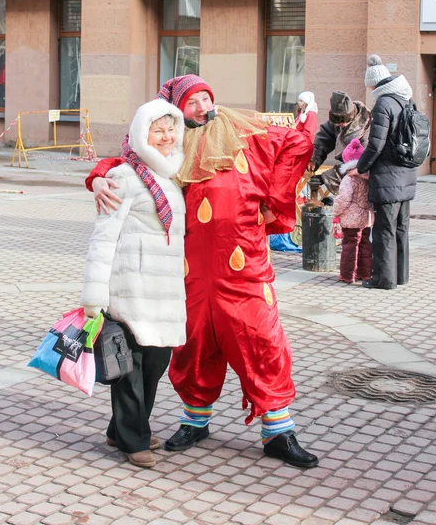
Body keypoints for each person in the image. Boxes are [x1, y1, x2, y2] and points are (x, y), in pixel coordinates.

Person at [86, 74, 319, 469]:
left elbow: (298, 142)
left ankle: (278, 430)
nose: (202, 108)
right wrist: (95, 179)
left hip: (244, 267)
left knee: (261, 340)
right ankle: (195, 421)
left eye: (206, 98)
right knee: (192, 347)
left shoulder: (246, 131)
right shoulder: (172, 145)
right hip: (187, 274)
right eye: (192, 102)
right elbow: (124, 161)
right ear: (178, 109)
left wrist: (273, 199)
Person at [80, 98, 187, 469]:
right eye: (158, 130)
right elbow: (104, 236)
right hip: (130, 286)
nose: (167, 137)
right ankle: (133, 438)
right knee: (130, 365)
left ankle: (120, 429)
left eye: (171, 129)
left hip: (165, 291)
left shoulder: (172, 176)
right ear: (143, 133)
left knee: (156, 362)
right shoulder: (124, 177)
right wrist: (94, 295)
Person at [356, 54, 416, 289]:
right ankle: (401, 275)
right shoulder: (405, 101)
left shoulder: (383, 103)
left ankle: (383, 279)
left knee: (384, 229)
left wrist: (361, 167)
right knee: (401, 228)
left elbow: (376, 144)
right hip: (407, 176)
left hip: (388, 178)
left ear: (374, 84)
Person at [308, 91, 371, 195]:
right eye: (337, 122)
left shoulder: (365, 130)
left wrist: (326, 177)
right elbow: (324, 139)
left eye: (344, 121)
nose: (341, 124)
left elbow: (357, 162)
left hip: (361, 178)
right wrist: (315, 159)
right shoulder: (336, 124)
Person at [332, 139, 373, 284]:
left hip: (350, 218)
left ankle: (348, 275)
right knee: (365, 245)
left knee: (350, 245)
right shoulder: (368, 177)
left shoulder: (348, 179)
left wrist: (336, 212)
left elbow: (344, 199)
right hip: (366, 217)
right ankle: (365, 273)